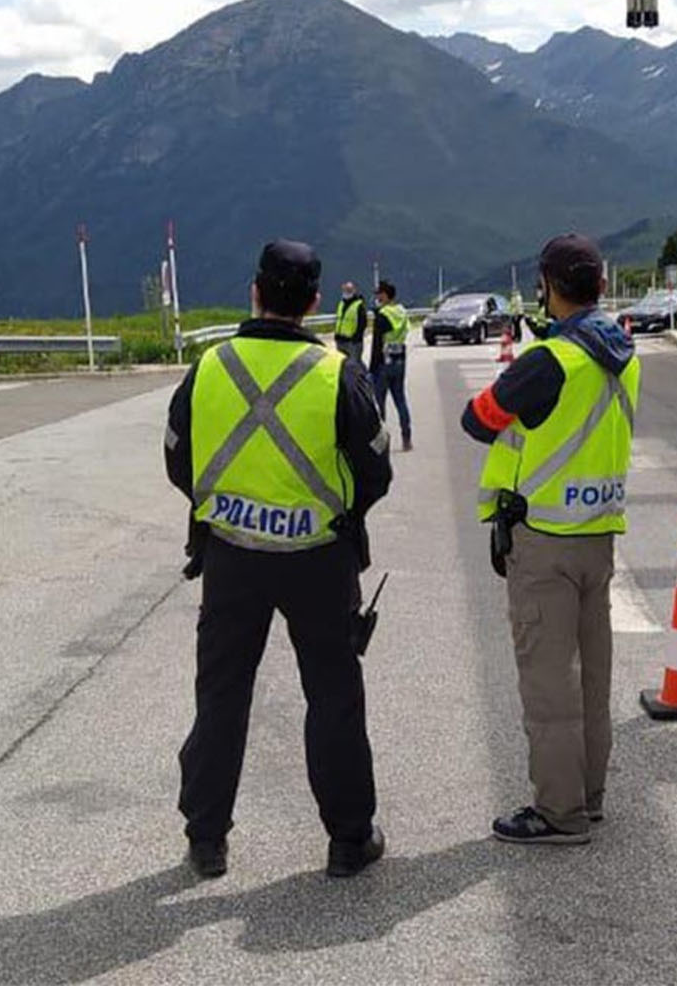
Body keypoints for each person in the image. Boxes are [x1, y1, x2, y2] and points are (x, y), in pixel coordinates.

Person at [164, 239, 393, 881]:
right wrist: (333, 512)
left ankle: (207, 838)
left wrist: (232, 507)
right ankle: (349, 839)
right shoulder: (335, 374)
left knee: (221, 696)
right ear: (317, 302)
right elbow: (376, 470)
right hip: (320, 559)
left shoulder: (209, 367)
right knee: (333, 697)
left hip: (231, 557)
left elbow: (178, 458)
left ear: (254, 291)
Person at [461, 233, 637, 846]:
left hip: (545, 541)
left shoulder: (549, 361)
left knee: (549, 682)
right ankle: (588, 797)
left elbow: (478, 419)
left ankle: (559, 813)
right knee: (593, 676)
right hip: (599, 534)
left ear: (547, 286)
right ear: (602, 286)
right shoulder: (623, 353)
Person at [369, 280, 412, 451]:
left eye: (379, 293)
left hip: (383, 363)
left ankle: (382, 442)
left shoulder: (383, 315)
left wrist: (372, 368)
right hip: (400, 359)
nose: (377, 297)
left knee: (380, 404)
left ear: (385, 295)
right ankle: (406, 437)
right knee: (400, 399)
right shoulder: (402, 312)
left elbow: (376, 344)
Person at [332, 281, 369, 362]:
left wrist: (356, 337)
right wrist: (336, 334)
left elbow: (363, 323)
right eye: (345, 290)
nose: (346, 292)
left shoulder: (358, 305)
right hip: (340, 340)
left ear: (354, 291)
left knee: (354, 365)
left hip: (352, 342)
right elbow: (339, 320)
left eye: (349, 290)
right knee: (342, 364)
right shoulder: (341, 303)